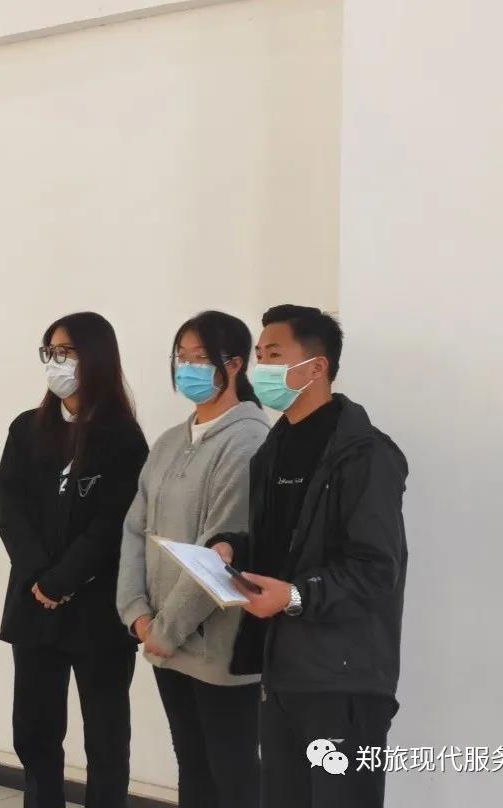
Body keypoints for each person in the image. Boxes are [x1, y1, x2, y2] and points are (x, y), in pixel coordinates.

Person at [211, 304, 407, 808]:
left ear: (317, 366)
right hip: (282, 672)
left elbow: (376, 568)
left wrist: (295, 596)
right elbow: (286, 543)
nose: (262, 368)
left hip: (344, 679)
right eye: (259, 355)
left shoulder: (365, 455)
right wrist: (234, 546)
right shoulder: (271, 452)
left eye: (274, 355)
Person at [116, 311, 270, 808]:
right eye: (181, 357)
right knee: (193, 765)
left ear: (235, 364)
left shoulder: (249, 440)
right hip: (163, 637)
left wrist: (165, 630)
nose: (187, 368)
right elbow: (135, 529)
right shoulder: (168, 442)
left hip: (217, 647)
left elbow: (217, 552)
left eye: (200, 358)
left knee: (233, 773)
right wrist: (136, 612)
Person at [0, 312, 148, 808]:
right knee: (34, 731)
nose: (55, 362)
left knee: (106, 738)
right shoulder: (26, 428)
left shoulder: (124, 436)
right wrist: (41, 579)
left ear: (96, 357)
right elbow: (10, 512)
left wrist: (62, 580)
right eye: (51, 352)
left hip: (98, 609)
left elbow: (114, 522)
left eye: (66, 352)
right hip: (33, 603)